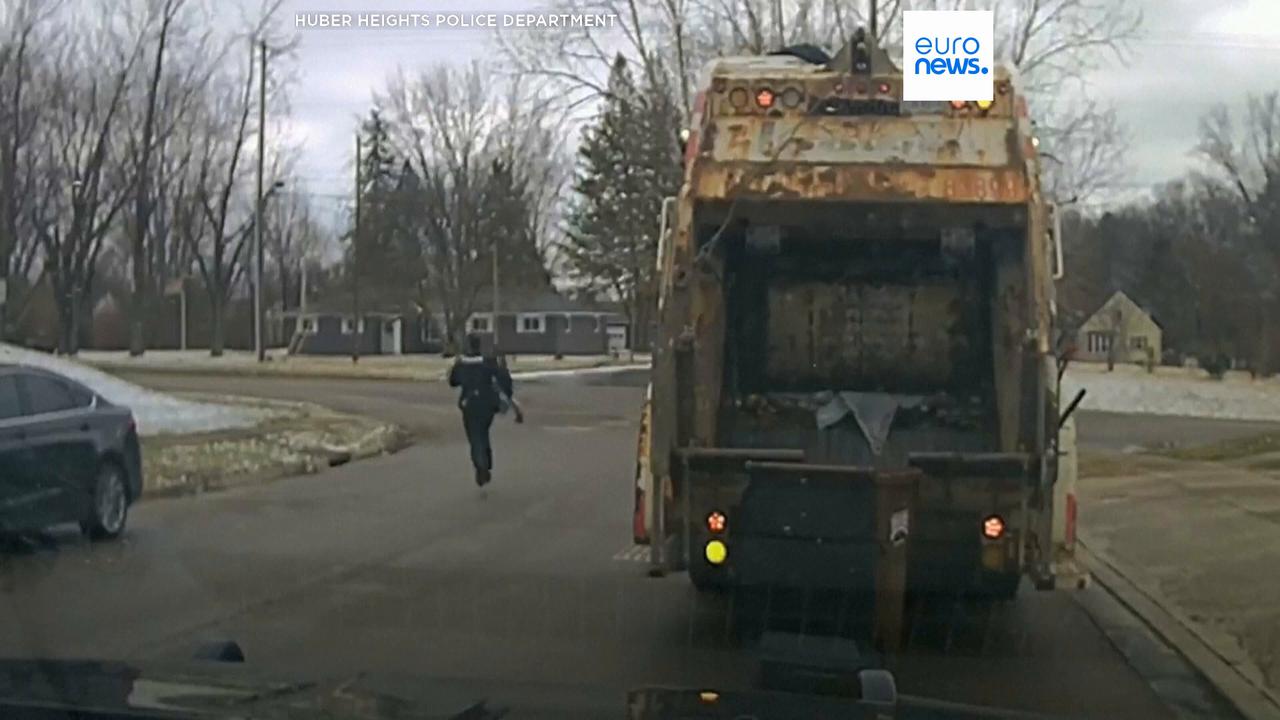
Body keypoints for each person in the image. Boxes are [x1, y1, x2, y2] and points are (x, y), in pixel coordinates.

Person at [448, 334, 522, 489]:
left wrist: (455, 366)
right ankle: (486, 464)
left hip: (469, 405)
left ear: (468, 346)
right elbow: (502, 379)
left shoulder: (462, 365)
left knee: (475, 437)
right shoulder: (488, 363)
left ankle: (481, 466)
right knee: (483, 433)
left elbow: (453, 382)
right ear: (479, 346)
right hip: (487, 406)